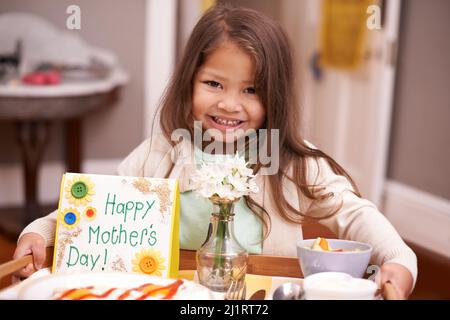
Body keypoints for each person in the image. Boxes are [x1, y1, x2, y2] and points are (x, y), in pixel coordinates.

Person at [13, 5, 417, 298]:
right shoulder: (160, 154)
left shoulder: (290, 162)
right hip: (173, 294)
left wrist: (397, 259)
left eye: (251, 90)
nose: (229, 104)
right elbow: (93, 209)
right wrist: (39, 232)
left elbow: (355, 213)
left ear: (273, 98)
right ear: (190, 80)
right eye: (214, 84)